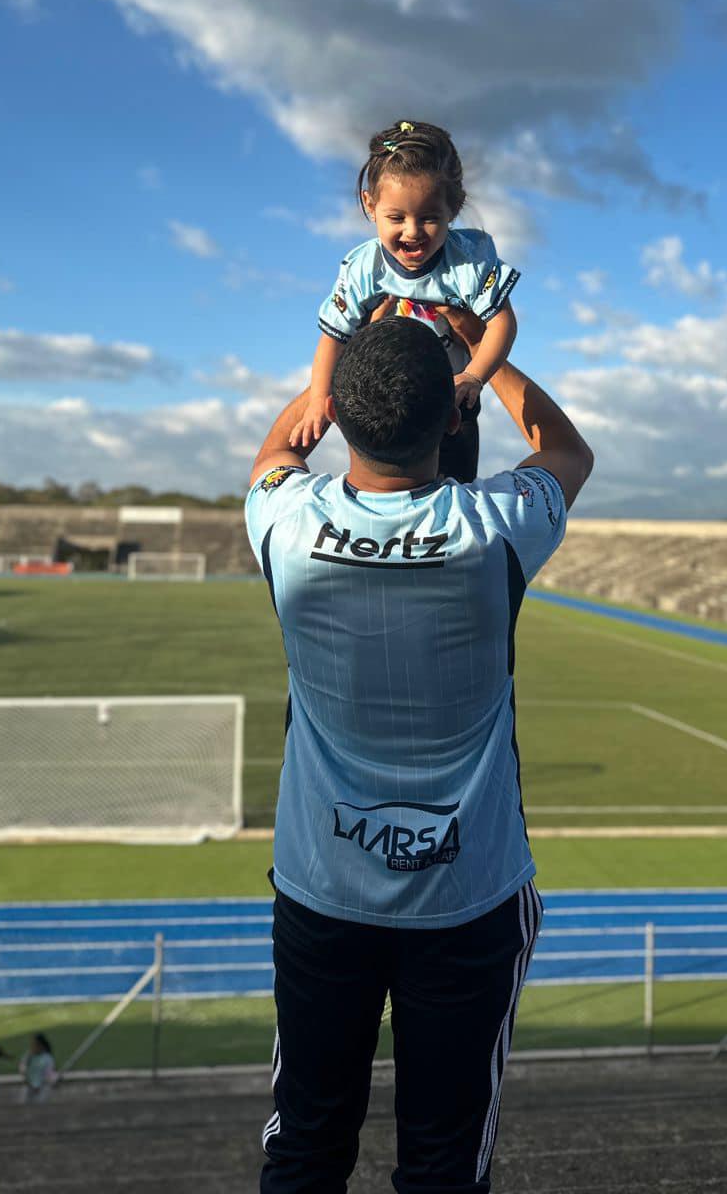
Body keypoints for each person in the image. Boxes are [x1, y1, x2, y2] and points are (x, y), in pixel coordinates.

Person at [245, 311, 593, 1193]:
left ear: (343, 416)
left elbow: (274, 454)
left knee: (305, 1148)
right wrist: (489, 358)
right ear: (452, 417)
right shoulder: (496, 528)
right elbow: (570, 454)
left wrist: (335, 361)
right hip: (469, 896)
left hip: (324, 889)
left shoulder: (286, 523)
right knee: (443, 1162)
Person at [291, 121, 519, 484]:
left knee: (455, 489)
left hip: (452, 403)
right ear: (370, 204)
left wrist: (475, 376)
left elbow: (503, 323)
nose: (412, 231)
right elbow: (333, 336)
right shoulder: (365, 267)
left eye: (429, 218)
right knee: (384, 489)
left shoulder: (468, 261)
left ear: (454, 208)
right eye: (396, 218)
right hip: (381, 406)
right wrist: (319, 398)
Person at [19, 1032, 57, 1103]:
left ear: (41, 1046)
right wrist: (27, 1082)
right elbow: (22, 1068)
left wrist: (41, 1085)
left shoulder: (47, 1058)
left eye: (35, 1044)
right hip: (29, 1088)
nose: (33, 1047)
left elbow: (49, 1074)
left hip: (41, 1089)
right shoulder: (29, 1056)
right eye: (32, 1044)